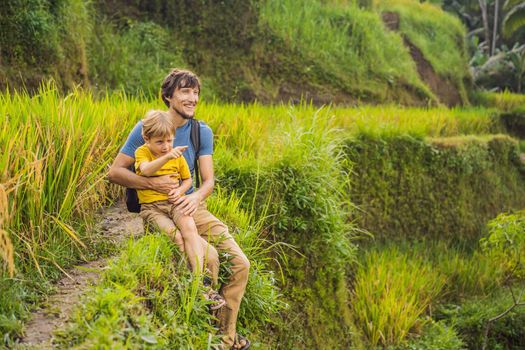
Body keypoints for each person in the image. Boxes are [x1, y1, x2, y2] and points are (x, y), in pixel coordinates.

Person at [108, 68, 251, 350]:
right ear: (168, 96)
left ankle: (226, 338)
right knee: (209, 257)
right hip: (158, 208)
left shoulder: (201, 132)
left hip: (191, 206)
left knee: (241, 264)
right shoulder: (146, 128)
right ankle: (209, 332)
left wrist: (195, 197)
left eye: (196, 92)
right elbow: (115, 172)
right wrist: (154, 183)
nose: (192, 98)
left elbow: (207, 180)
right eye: (185, 91)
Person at [134, 109, 225, 311]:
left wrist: (181, 191)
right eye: (160, 142)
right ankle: (190, 280)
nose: (166, 147)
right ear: (146, 138)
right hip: (153, 208)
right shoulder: (143, 152)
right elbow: (146, 170)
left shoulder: (176, 155)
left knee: (189, 228)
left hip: (175, 203)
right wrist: (168, 157)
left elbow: (188, 179)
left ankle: (199, 281)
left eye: (169, 141)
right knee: (175, 236)